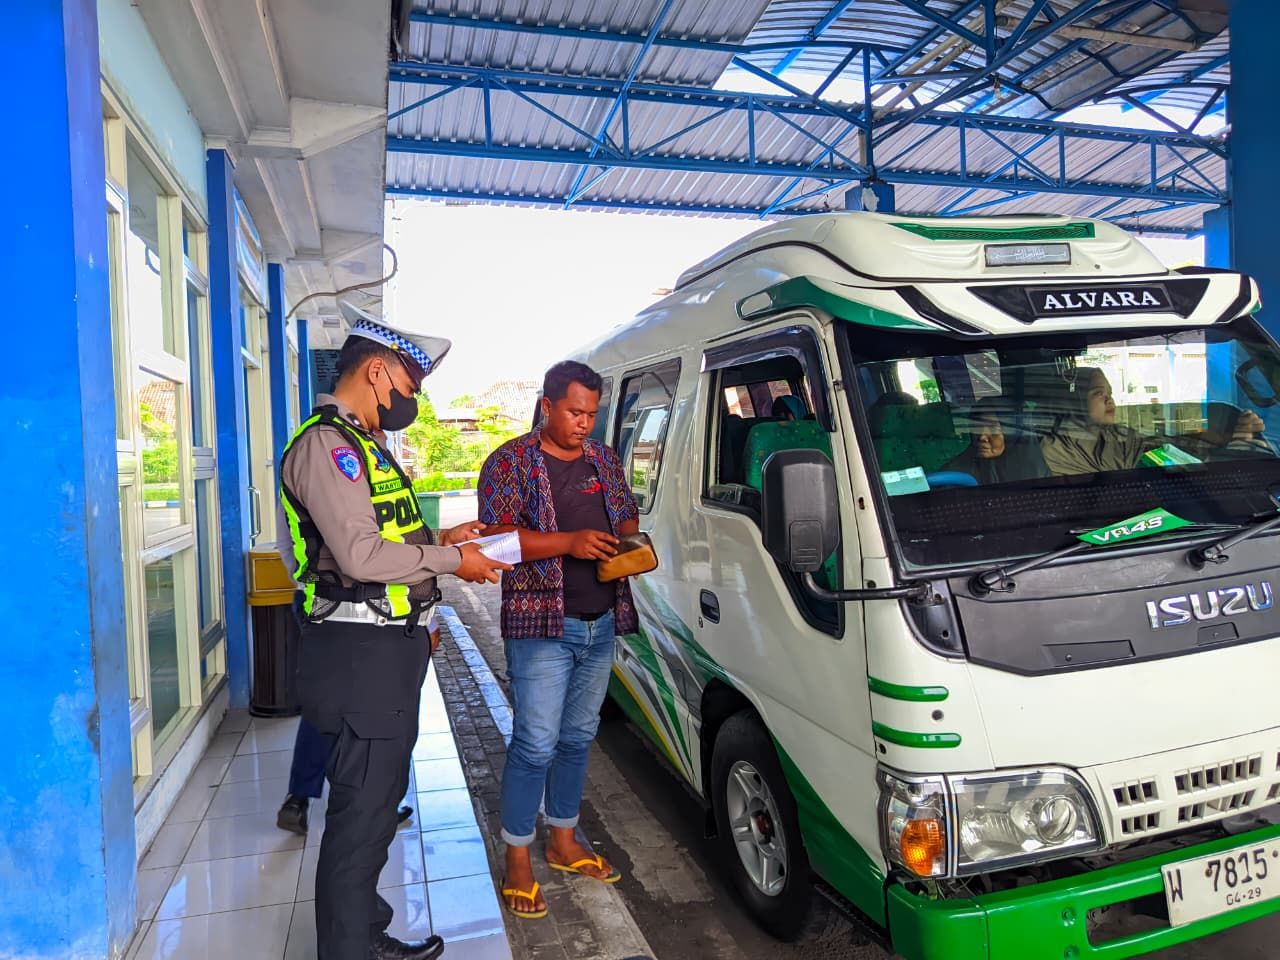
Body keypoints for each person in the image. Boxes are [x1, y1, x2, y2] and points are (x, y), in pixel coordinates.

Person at [278, 305, 511, 960]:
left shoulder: (364, 445)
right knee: (361, 820)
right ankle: (350, 950)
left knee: (374, 810)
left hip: (382, 649)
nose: (411, 402)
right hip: (358, 655)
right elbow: (358, 557)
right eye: (409, 389)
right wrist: (451, 562)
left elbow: (385, 544)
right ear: (377, 372)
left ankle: (364, 927)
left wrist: (443, 541)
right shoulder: (329, 448)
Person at [477, 361, 641, 920]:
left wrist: (629, 542)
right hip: (543, 626)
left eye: (592, 414)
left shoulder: (603, 460)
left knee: (577, 739)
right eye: (574, 413)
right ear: (547, 406)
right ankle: (517, 856)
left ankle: (564, 840)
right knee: (535, 743)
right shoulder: (509, 462)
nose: (584, 425)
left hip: (600, 623)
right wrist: (567, 541)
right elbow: (495, 544)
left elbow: (624, 516)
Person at [275, 606, 440, 835]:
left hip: (315, 605)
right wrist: (427, 622)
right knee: (384, 701)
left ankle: (298, 797)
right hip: (362, 613)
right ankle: (380, 802)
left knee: (323, 704)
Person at [1040, 366, 1266, 476]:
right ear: (1073, 401)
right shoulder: (1076, 440)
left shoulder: (1103, 432)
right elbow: (1159, 459)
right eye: (1098, 393)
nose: (1110, 399)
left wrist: (1224, 437)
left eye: (1110, 391)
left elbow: (1152, 444)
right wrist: (1235, 449)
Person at [942, 400, 1049, 485]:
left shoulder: (1032, 472)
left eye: (992, 428)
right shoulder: (953, 472)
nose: (982, 436)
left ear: (1010, 434)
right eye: (976, 426)